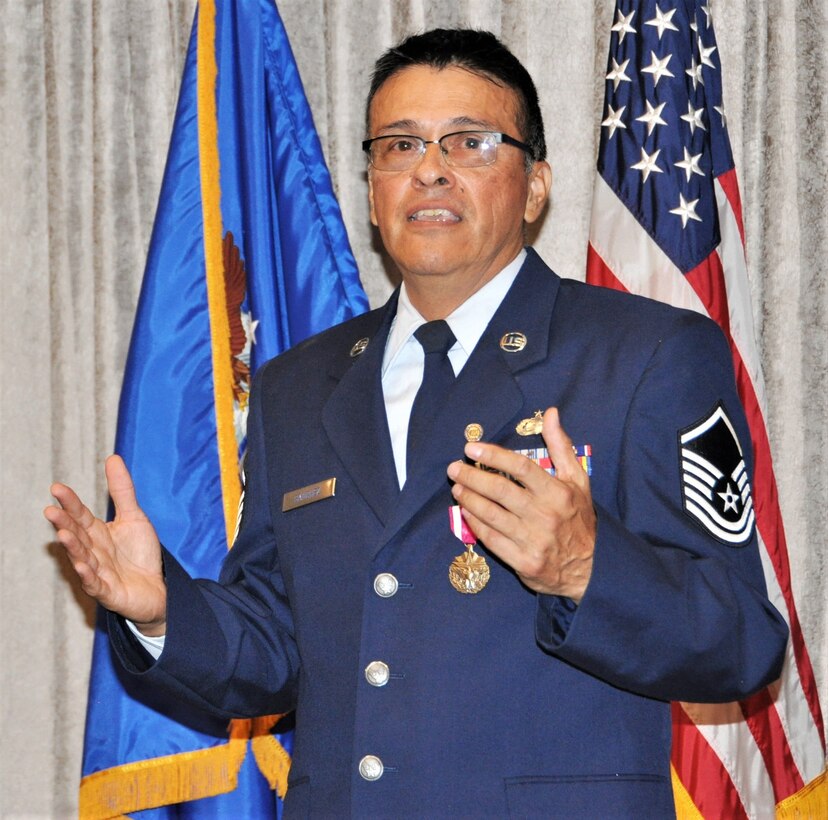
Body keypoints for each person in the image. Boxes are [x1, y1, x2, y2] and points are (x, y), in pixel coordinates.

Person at [45, 29, 787, 818]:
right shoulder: (298, 386)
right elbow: (278, 646)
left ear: (535, 186)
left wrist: (584, 568)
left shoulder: (644, 356)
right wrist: (163, 609)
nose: (429, 168)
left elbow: (744, 640)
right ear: (373, 188)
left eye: (470, 143)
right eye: (399, 145)